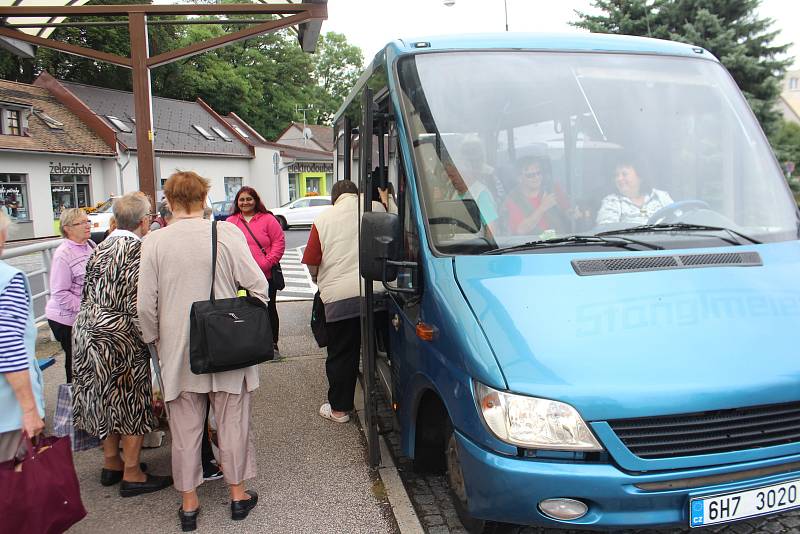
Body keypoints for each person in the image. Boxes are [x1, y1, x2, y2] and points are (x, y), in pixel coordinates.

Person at [138, 171, 267, 531]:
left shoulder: (155, 242)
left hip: (178, 348)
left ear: (169, 200)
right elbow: (258, 285)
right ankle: (238, 495)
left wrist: (154, 342)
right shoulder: (225, 233)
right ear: (205, 197)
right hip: (228, 344)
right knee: (233, 422)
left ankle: (190, 504)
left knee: (185, 429)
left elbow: (145, 306)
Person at [71, 192, 173, 497]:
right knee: (128, 400)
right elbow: (141, 302)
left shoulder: (101, 246)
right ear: (143, 221)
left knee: (103, 398)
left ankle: (111, 462)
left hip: (86, 331)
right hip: (119, 336)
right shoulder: (138, 250)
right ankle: (132, 474)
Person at [303, 180, 379, 424]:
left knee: (342, 354)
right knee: (380, 349)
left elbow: (313, 261)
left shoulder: (323, 219)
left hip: (341, 299)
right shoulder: (375, 207)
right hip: (380, 293)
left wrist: (320, 280)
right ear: (357, 194)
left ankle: (339, 410)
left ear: (334, 198)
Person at [0, 210, 45, 463]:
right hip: (6, 414)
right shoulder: (7, 279)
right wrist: (29, 409)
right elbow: (7, 346)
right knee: (14, 488)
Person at [227, 186, 285, 355]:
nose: (245, 202)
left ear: (256, 201)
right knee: (243, 309)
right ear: (237, 202)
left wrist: (266, 263)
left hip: (265, 276)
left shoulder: (268, 219)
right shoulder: (231, 222)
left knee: (268, 308)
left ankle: (272, 344)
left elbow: (279, 242)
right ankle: (249, 343)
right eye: (242, 199)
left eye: (249, 199)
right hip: (240, 278)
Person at [46, 207, 94, 384]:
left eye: (87, 221)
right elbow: (59, 293)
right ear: (67, 228)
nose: (87, 225)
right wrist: (86, 308)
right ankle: (74, 404)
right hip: (65, 320)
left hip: (85, 316)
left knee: (85, 360)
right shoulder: (63, 254)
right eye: (81, 223)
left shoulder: (89, 246)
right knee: (75, 363)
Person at [502, 158, 572, 235]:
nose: (536, 177)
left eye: (538, 173)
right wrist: (542, 207)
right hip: (532, 245)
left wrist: (573, 214)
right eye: (530, 175)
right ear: (519, 178)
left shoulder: (553, 189)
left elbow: (568, 212)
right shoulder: (513, 199)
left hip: (559, 242)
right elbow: (521, 230)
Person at [596, 162, 673, 225]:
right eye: (616, 175)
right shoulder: (611, 202)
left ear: (640, 177)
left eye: (624, 174)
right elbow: (605, 232)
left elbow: (677, 220)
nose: (619, 178)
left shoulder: (660, 196)